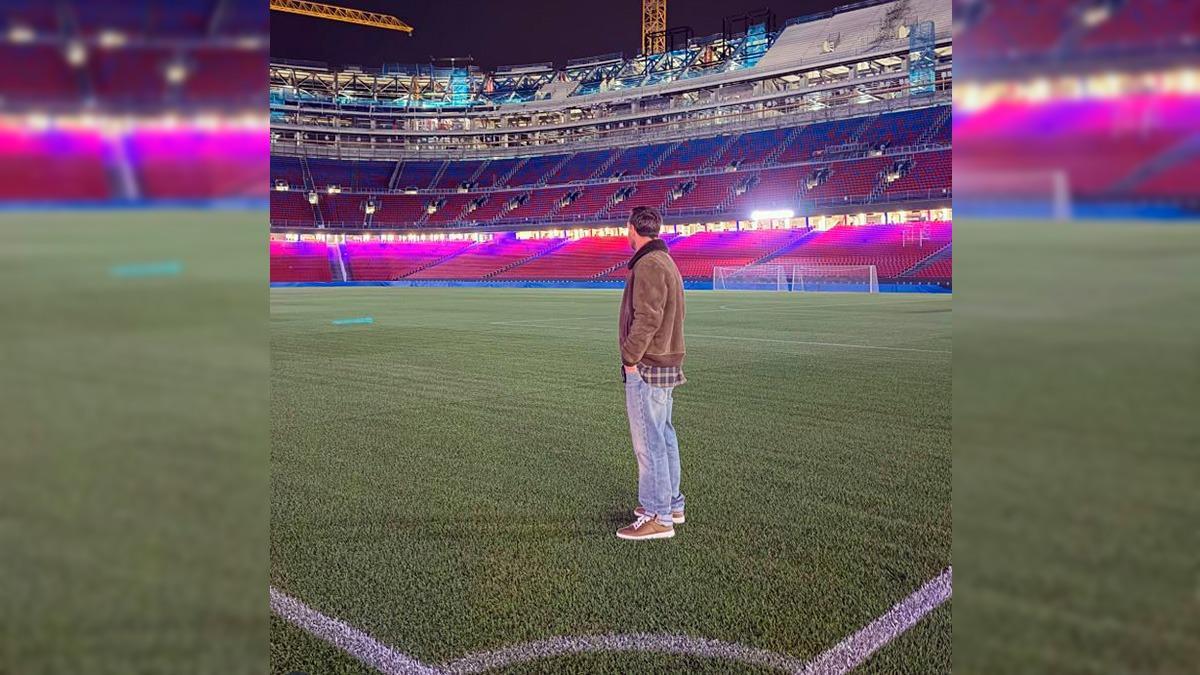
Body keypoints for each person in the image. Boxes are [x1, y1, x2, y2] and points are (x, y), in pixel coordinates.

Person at [615, 206, 687, 541]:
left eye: (626, 227)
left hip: (649, 365)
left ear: (632, 228)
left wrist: (630, 357)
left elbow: (647, 317)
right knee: (664, 435)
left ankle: (659, 516)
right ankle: (671, 504)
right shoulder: (664, 261)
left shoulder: (648, 264)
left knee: (649, 441)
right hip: (664, 362)